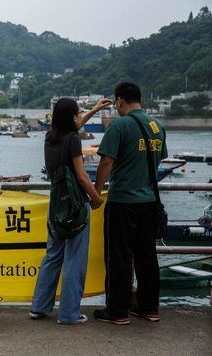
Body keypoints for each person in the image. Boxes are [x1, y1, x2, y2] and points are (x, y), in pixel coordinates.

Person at [30, 97, 110, 324]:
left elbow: (73, 127)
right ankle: (68, 314)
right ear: (72, 117)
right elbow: (83, 177)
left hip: (56, 204)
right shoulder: (73, 139)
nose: (79, 116)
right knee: (74, 259)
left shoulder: (50, 137)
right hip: (75, 204)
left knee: (53, 255)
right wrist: (96, 200)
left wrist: (94, 110)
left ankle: (39, 307)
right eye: (78, 113)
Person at [93, 82, 167, 325]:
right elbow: (156, 161)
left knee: (119, 256)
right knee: (147, 256)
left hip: (123, 200)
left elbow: (105, 162)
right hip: (149, 201)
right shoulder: (157, 126)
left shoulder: (120, 125)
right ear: (141, 99)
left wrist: (96, 192)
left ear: (120, 100)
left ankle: (118, 311)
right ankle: (149, 308)